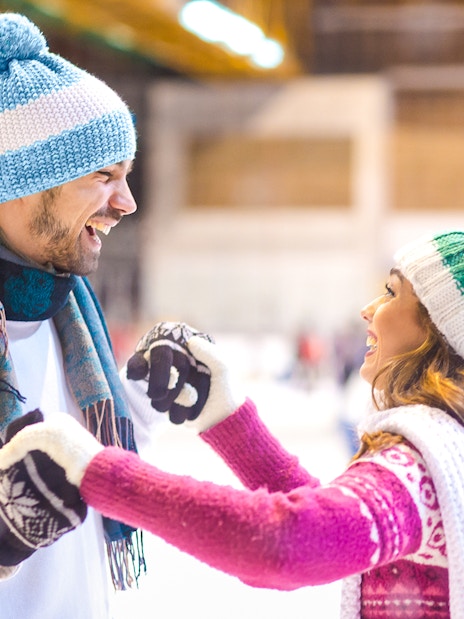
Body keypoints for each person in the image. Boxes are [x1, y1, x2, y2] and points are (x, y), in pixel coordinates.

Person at [9, 228, 464, 618]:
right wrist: (228, 419)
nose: (368, 308)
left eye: (390, 292)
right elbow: (329, 521)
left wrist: (97, 470)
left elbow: (288, 543)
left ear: (439, 326)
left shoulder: (418, 469)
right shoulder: (446, 448)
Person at [0, 12, 170, 619]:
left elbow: (83, 479)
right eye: (104, 176)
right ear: (18, 181)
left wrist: (144, 403)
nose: (126, 202)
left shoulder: (68, 312)